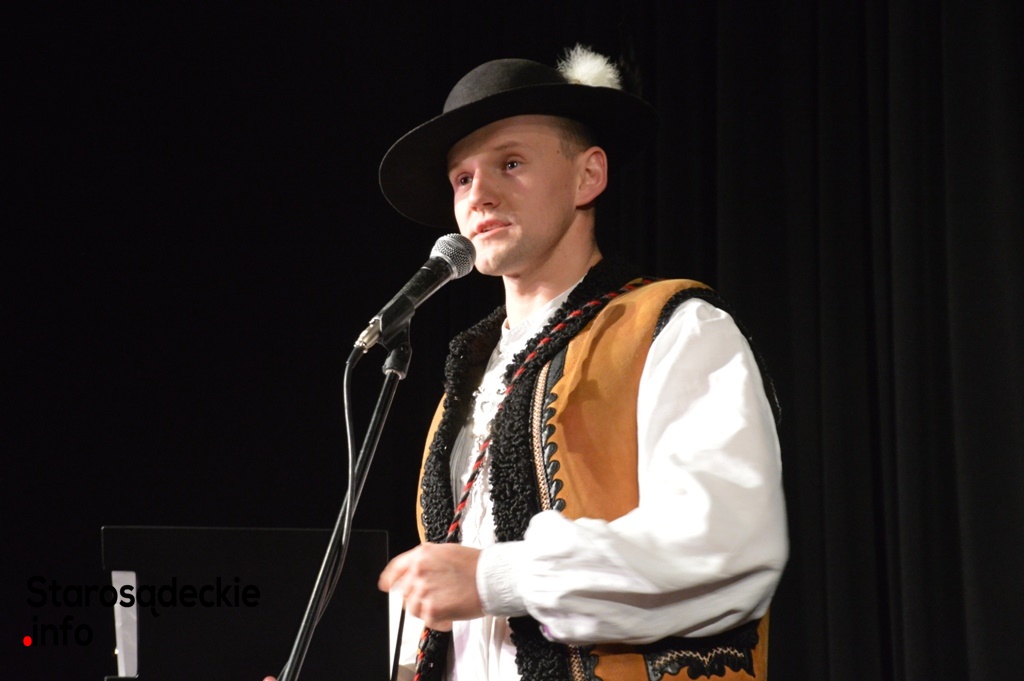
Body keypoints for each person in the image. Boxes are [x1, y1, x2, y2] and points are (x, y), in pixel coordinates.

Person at [262, 46, 787, 681]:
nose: (479, 194)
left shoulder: (676, 330)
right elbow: (457, 633)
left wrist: (496, 577)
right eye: (461, 179)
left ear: (588, 176)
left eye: (510, 163)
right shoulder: (469, 379)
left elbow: (724, 546)